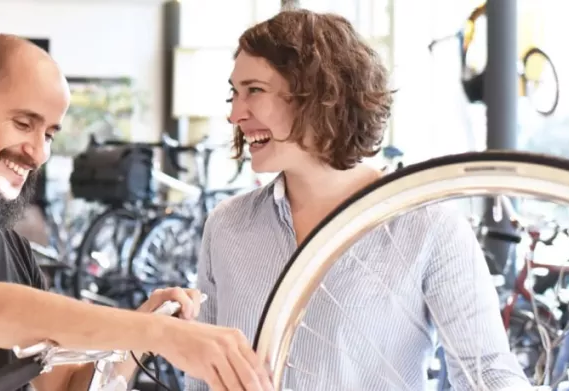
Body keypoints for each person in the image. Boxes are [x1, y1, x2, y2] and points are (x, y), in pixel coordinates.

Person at [0, 34, 272, 391]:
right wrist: (160, 335)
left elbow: (62, 385)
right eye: (24, 124)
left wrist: (139, 336)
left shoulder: (16, 252)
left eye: (50, 134)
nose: (38, 152)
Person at [187, 11, 532, 390]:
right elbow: (204, 379)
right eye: (233, 93)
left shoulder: (428, 226)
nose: (235, 114)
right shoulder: (228, 225)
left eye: (253, 90)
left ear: (321, 96)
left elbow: (487, 375)